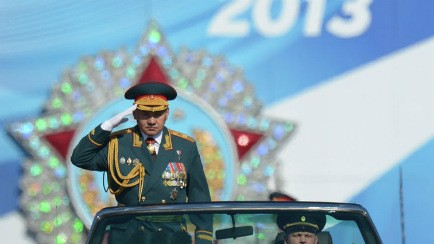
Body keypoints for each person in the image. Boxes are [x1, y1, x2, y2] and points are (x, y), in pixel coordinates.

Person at [70, 57, 213, 244]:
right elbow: (80, 158)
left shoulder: (184, 146)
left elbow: (199, 198)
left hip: (170, 236)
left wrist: (204, 240)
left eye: (158, 114)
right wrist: (106, 127)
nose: (152, 121)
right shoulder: (119, 143)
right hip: (128, 236)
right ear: (135, 114)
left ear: (167, 113)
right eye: (145, 114)